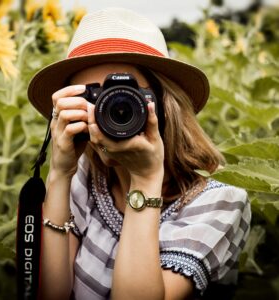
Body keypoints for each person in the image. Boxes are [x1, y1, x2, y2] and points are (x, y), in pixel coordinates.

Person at [27, 7, 251, 300]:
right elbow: (50, 295)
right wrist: (59, 172)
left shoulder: (221, 203)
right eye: (93, 97)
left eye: (125, 95)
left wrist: (145, 178)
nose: (110, 110)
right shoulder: (86, 173)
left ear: (164, 104)